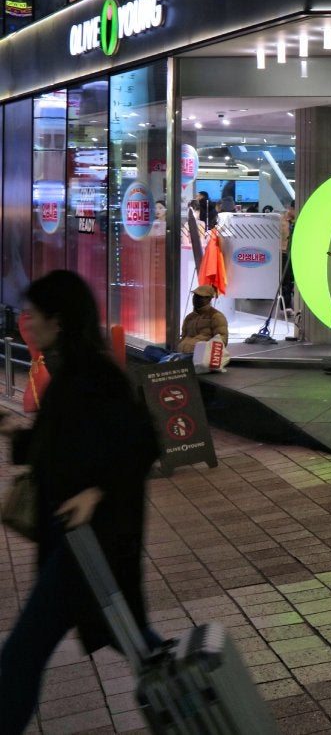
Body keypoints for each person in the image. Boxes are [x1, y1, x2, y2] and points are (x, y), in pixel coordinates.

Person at [0, 271, 161, 735]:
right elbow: (68, 444)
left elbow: (142, 443)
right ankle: (193, 692)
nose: (25, 322)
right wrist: (17, 434)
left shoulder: (93, 373)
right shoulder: (67, 369)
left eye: (34, 314)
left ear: (59, 320)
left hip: (89, 544)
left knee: (21, 653)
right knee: (126, 635)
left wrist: (95, 492)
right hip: (74, 543)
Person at [177, 284, 229, 353]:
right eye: (195, 296)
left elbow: (222, 339)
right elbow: (183, 337)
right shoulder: (189, 317)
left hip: (201, 358)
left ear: (209, 299)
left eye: (200, 297)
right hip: (182, 355)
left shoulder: (216, 316)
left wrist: (206, 352)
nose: (196, 299)